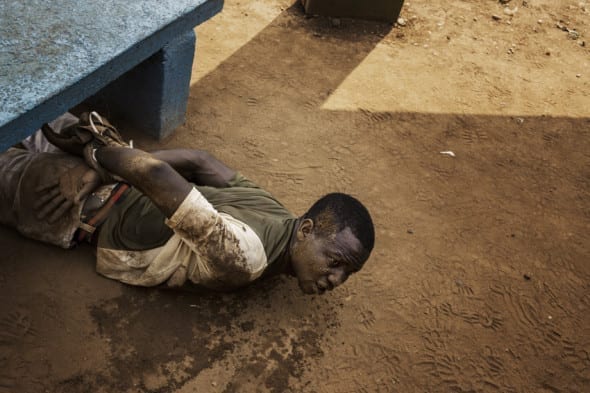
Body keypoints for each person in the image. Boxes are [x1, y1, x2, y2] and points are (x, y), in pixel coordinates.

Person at [0, 112, 375, 295]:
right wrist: (98, 163)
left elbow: (200, 161)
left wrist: (106, 159)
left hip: (106, 164)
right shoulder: (244, 257)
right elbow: (159, 177)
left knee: (24, 101)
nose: (336, 280)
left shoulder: (278, 213)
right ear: (307, 230)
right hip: (64, 198)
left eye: (347, 274)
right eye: (336, 261)